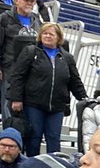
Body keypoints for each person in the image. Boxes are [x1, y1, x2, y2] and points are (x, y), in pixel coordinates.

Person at [9, 23, 88, 157]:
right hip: (33, 104)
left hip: (57, 108)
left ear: (59, 38)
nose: (47, 36)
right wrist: (16, 98)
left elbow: (75, 82)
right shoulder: (30, 51)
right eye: (45, 33)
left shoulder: (67, 58)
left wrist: (85, 99)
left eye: (51, 34)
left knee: (54, 141)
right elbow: (18, 76)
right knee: (34, 139)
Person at [0, 0, 42, 126]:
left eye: (32, 1)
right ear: (16, 1)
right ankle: (9, 131)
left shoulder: (36, 20)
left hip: (32, 71)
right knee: (8, 102)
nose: (30, 3)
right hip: (9, 69)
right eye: (26, 0)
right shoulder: (4, 18)